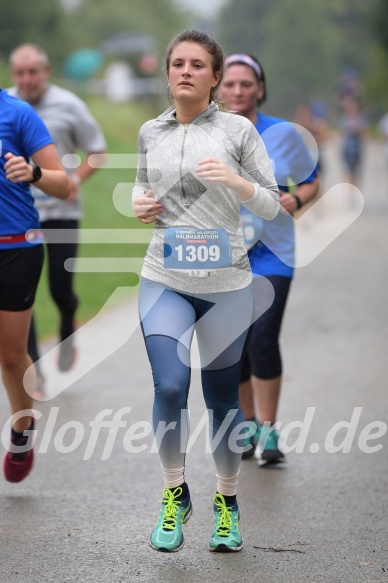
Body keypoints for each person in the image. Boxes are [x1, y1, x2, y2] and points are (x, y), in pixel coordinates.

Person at [132, 30, 279, 553]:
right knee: (170, 388)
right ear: (168, 73)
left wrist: (238, 185)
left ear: (215, 77)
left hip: (226, 286)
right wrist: (139, 204)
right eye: (177, 63)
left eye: (198, 64)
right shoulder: (152, 131)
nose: (186, 71)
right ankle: (175, 492)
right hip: (164, 279)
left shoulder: (238, 131)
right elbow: (140, 184)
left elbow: (271, 202)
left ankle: (227, 502)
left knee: (221, 402)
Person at [220, 54, 320, 465]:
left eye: (246, 84)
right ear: (218, 88)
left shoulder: (284, 134)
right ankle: (245, 426)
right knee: (235, 343)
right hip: (223, 256)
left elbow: (312, 180)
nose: (238, 91)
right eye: (230, 84)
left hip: (273, 254)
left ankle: (270, 429)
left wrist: (295, 197)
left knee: (262, 336)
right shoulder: (206, 131)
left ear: (259, 89)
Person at [8, 44, 106, 396]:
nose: (27, 80)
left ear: (46, 71)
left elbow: (97, 151)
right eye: (20, 73)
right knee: (23, 293)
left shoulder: (69, 105)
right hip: (21, 217)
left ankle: (67, 324)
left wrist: (74, 180)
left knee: (60, 289)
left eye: (33, 72)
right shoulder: (8, 106)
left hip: (61, 211)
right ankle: (34, 368)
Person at [0, 88, 70, 483]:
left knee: (11, 356)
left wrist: (34, 173)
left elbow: (65, 185)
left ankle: (22, 430)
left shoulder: (17, 114)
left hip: (16, 247)